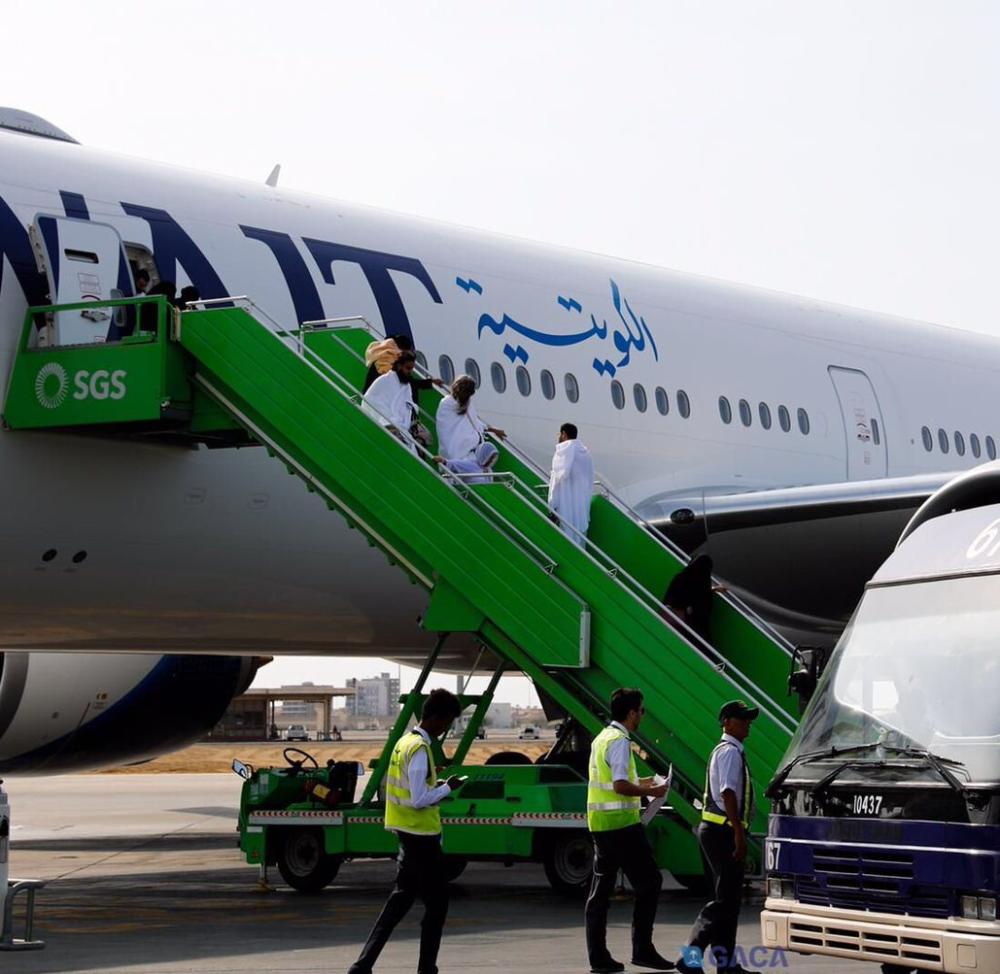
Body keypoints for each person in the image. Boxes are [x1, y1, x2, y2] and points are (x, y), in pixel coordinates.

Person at [348, 688, 465, 974]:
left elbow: (413, 791)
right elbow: (418, 799)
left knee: (399, 904)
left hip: (407, 835)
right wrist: (448, 788)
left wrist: (435, 787)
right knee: (436, 905)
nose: (446, 729)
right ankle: (425, 968)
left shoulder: (403, 743)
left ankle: (362, 966)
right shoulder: (419, 749)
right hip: (421, 840)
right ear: (435, 718)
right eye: (447, 722)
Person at [585, 688, 674, 974]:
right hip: (622, 827)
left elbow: (615, 779)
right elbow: (620, 785)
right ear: (632, 713)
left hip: (601, 825)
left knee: (600, 894)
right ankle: (642, 950)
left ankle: (598, 958)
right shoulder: (621, 742)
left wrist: (647, 781)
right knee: (650, 883)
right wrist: (654, 791)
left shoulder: (602, 738)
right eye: (642, 711)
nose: (643, 716)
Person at [675, 701, 760, 974]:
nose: (747, 724)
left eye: (748, 719)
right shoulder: (730, 752)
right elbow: (727, 793)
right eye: (742, 719)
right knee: (724, 902)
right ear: (727, 723)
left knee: (728, 901)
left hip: (717, 830)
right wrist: (738, 833)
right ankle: (690, 956)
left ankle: (726, 964)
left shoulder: (728, 750)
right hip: (722, 831)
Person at [435, 374, 506, 460]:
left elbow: (474, 422)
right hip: (466, 455)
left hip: (449, 455)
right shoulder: (455, 405)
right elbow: (473, 424)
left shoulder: (447, 404)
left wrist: (492, 429)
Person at [548, 423, 595, 547]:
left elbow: (557, 479)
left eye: (560, 434)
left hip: (566, 501)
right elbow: (590, 477)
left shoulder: (563, 450)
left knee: (566, 532)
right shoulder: (585, 452)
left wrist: (552, 504)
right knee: (579, 533)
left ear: (564, 434)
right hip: (582, 503)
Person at [362, 351, 420, 449]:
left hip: (402, 427)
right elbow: (370, 400)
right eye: (408, 368)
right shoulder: (384, 381)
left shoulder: (406, 386)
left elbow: (408, 405)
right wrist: (387, 419)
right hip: (385, 423)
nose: (410, 372)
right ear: (399, 366)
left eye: (412, 369)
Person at [662, 555, 726, 643]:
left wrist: (713, 589)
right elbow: (699, 594)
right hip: (682, 623)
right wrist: (713, 589)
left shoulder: (681, 577)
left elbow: (693, 592)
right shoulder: (701, 583)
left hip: (667, 616)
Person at [433, 441, 499, 485]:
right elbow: (454, 464)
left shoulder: (489, 471)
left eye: (494, 458)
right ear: (485, 455)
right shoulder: (471, 464)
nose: (492, 460)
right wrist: (444, 461)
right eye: (491, 457)